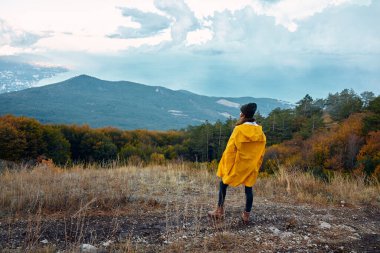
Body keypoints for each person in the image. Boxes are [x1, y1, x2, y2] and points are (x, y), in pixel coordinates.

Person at [208, 102, 266, 224]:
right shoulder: (260, 132)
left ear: (243, 115)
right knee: (248, 189)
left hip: (238, 164)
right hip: (251, 166)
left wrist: (225, 168)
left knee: (223, 184)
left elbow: (230, 150)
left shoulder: (238, 130)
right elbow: (261, 152)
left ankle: (219, 211)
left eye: (241, 112)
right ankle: (246, 216)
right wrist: (256, 165)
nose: (239, 114)